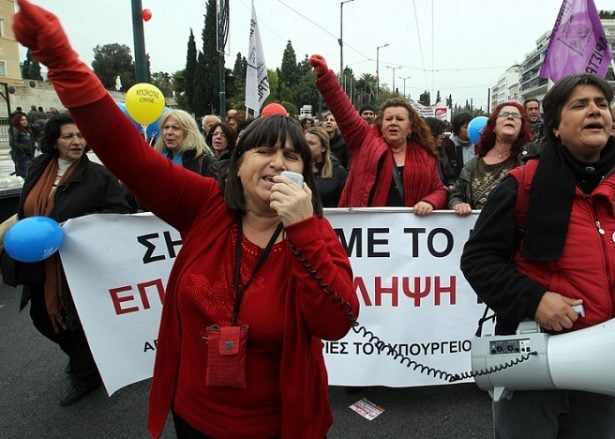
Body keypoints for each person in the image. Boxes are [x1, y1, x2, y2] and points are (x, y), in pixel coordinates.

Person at [14, 3, 360, 438]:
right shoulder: (206, 205)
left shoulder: (316, 234)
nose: (277, 163)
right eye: (263, 152)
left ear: (304, 173)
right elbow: (126, 151)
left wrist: (303, 229)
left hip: (276, 424)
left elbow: (336, 322)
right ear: (236, 166)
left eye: (291, 155)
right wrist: (61, 59)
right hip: (193, 413)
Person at [461, 73, 615, 439]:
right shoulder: (522, 184)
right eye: (579, 105)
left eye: (600, 104)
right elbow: (478, 260)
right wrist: (534, 300)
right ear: (554, 127)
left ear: (613, 123)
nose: (594, 111)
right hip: (537, 361)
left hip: (610, 362)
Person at [12, 112, 133, 406]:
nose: (77, 141)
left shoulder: (98, 176)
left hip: (76, 264)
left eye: (81, 136)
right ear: (54, 140)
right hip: (40, 262)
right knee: (42, 317)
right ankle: (84, 360)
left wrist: (78, 226)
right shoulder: (40, 166)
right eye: (68, 136)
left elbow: (120, 212)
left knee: (75, 321)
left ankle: (86, 372)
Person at [310, 54, 447, 214]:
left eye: (400, 119)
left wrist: (429, 202)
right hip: (366, 233)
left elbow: (440, 190)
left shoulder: (425, 156)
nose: (393, 122)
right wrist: (326, 77)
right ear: (381, 124)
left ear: (410, 127)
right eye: (388, 119)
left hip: (408, 234)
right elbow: (343, 110)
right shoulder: (365, 139)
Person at [449, 102, 532, 215]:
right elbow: (455, 195)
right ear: (493, 126)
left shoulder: (529, 162)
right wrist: (458, 204)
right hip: (480, 230)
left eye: (516, 116)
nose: (510, 117)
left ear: (521, 127)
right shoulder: (472, 165)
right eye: (505, 114)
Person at [154, 109, 216, 176]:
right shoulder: (157, 158)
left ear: (188, 132)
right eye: (166, 127)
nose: (169, 132)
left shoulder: (205, 161)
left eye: (175, 128)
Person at [305, 126, 347, 207]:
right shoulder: (296, 168)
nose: (306, 146)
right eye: (304, 143)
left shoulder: (338, 172)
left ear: (323, 148)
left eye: (311, 143)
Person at [440, 111, 475, 188]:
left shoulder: (477, 143)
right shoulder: (448, 145)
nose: (469, 130)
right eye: (465, 127)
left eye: (470, 127)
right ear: (457, 128)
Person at [9, 113, 35, 178]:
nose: (25, 121)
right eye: (22, 120)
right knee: (26, 175)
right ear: (17, 121)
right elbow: (13, 142)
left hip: (29, 154)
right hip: (22, 155)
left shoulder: (26, 130)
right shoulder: (15, 129)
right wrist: (22, 150)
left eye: (26, 120)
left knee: (30, 173)